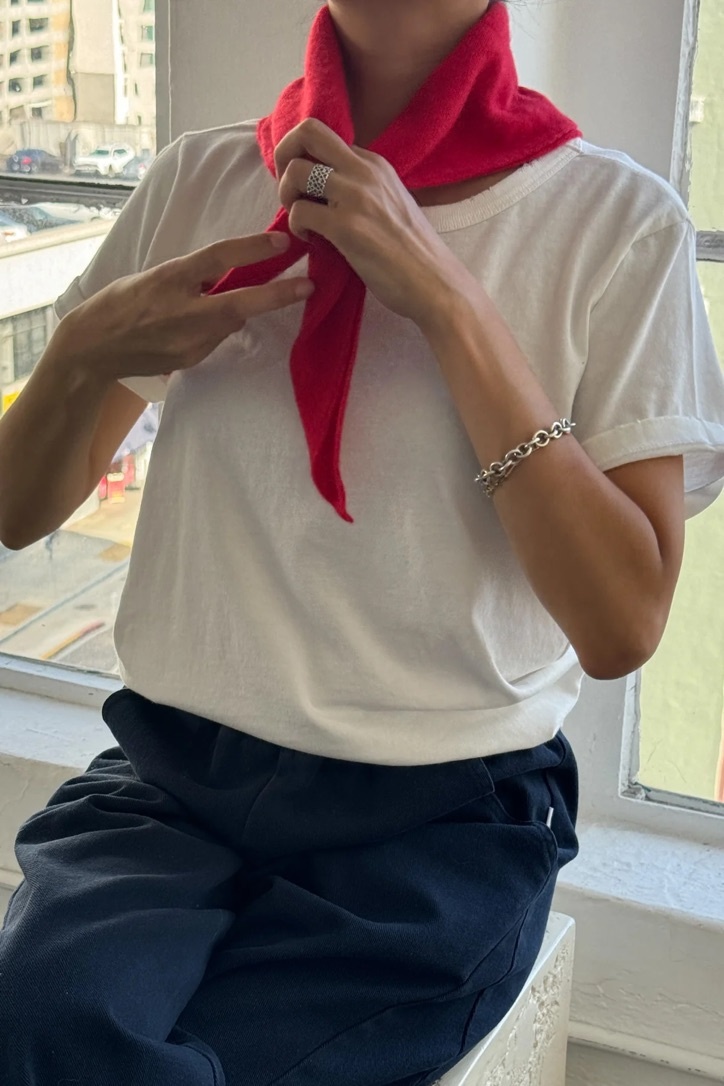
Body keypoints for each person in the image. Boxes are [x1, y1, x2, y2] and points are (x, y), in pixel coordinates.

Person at [2, 1, 724, 1083]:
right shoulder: (199, 181)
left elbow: (622, 624)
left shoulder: (616, 222)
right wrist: (79, 354)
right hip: (171, 780)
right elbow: (17, 511)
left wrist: (451, 306)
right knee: (38, 1028)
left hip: (439, 817)